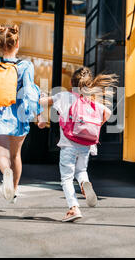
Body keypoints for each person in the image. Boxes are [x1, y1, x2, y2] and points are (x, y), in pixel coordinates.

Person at [0, 24, 43, 203]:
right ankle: (15, 190)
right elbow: (30, 92)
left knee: (2, 157)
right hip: (19, 115)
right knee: (16, 156)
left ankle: (6, 173)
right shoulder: (26, 66)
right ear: (17, 42)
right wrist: (39, 114)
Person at [39, 67, 117, 222]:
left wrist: (41, 98)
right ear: (89, 85)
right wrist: (96, 125)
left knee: (66, 178)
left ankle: (74, 208)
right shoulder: (92, 102)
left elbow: (42, 102)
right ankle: (84, 183)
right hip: (86, 144)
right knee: (81, 171)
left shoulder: (64, 96)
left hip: (68, 144)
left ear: (70, 82)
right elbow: (108, 113)